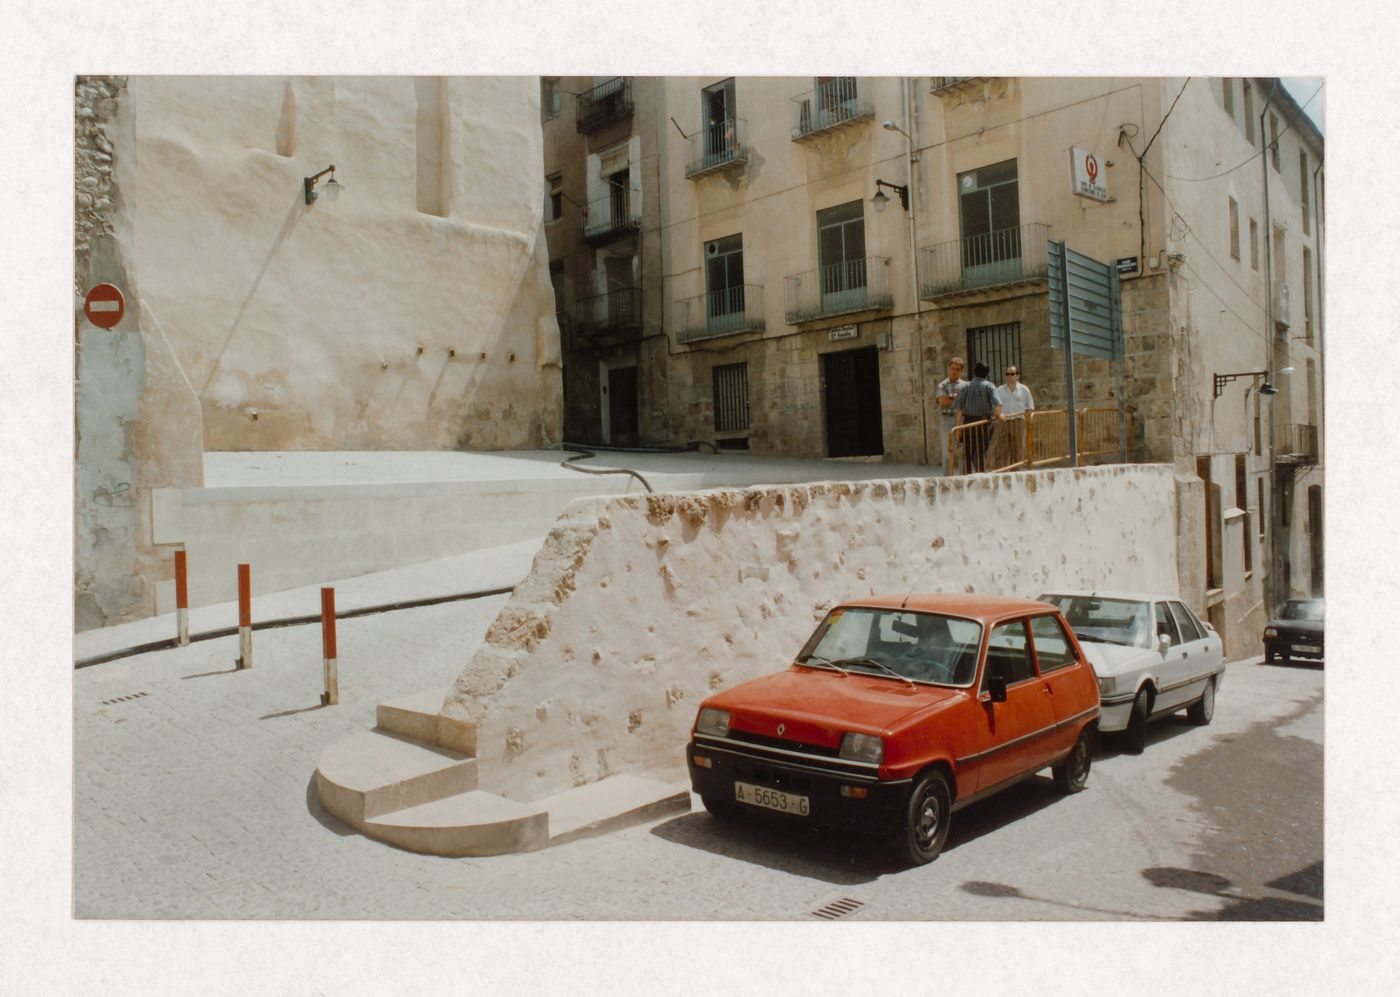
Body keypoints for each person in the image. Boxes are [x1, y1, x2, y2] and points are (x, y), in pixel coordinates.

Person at [955, 361, 1002, 473]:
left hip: (968, 423)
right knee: (981, 452)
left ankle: (967, 477)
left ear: (974, 372)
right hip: (984, 423)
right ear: (987, 373)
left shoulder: (964, 386)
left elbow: (959, 410)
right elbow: (998, 404)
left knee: (968, 452)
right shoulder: (989, 386)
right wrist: (998, 416)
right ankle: (981, 475)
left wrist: (958, 428)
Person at [994, 365, 1034, 465]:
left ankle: (1016, 471)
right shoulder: (1000, 390)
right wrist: (999, 415)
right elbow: (995, 406)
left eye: (1012, 374)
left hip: (1018, 421)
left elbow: (1030, 407)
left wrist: (1024, 418)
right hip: (1004, 421)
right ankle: (1001, 472)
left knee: (1018, 448)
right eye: (1007, 374)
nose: (1009, 376)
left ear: (1017, 375)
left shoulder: (1024, 390)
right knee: (1001, 449)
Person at [935, 358, 967, 472]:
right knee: (947, 453)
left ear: (961, 371)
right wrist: (957, 398)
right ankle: (947, 481)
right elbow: (942, 401)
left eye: (957, 369)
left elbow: (966, 402)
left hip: (962, 420)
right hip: (946, 420)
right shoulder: (942, 385)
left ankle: (964, 480)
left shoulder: (965, 385)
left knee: (963, 452)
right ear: (949, 368)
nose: (954, 371)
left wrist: (952, 397)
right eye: (952, 368)